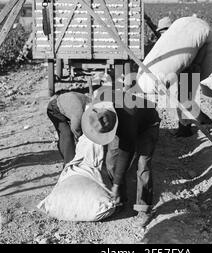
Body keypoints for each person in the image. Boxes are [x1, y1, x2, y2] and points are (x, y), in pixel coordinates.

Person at [81, 94, 160, 228]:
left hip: (148, 125)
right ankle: (121, 199)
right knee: (111, 163)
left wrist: (116, 184)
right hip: (122, 122)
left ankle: (144, 208)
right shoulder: (101, 105)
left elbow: (126, 155)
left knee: (143, 165)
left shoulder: (128, 122)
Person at [47, 91, 91, 166]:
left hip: (67, 105)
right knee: (67, 135)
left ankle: (64, 148)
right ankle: (68, 163)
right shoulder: (79, 113)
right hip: (54, 109)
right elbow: (76, 130)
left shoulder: (90, 103)